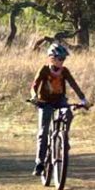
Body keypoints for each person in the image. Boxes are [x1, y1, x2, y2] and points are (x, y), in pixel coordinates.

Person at [30, 42, 88, 176]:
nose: (62, 61)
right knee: (43, 131)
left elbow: (74, 85)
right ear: (52, 58)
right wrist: (34, 97)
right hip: (45, 101)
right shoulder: (44, 70)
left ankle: (63, 138)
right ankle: (39, 163)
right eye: (60, 58)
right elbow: (34, 86)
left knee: (68, 113)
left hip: (60, 100)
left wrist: (83, 100)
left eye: (64, 59)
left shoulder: (65, 71)